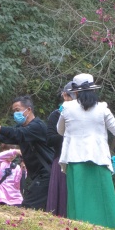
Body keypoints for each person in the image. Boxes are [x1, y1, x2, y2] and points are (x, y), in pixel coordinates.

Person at [55, 74, 115, 229]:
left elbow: (60, 130)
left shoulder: (67, 108)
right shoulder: (102, 109)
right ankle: (110, 227)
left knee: (79, 196)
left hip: (75, 158)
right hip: (98, 158)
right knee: (102, 196)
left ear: (75, 92)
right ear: (93, 90)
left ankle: (78, 227)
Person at [0, 94, 56, 210]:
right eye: (14, 111)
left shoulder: (37, 126)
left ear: (28, 110)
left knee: (28, 207)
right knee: (36, 208)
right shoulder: (22, 128)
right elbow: (6, 137)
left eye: (17, 110)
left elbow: (16, 134)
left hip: (47, 174)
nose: (15, 114)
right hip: (37, 176)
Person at [43, 82, 73, 217]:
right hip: (62, 159)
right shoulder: (56, 115)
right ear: (64, 96)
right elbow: (50, 140)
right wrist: (68, 134)